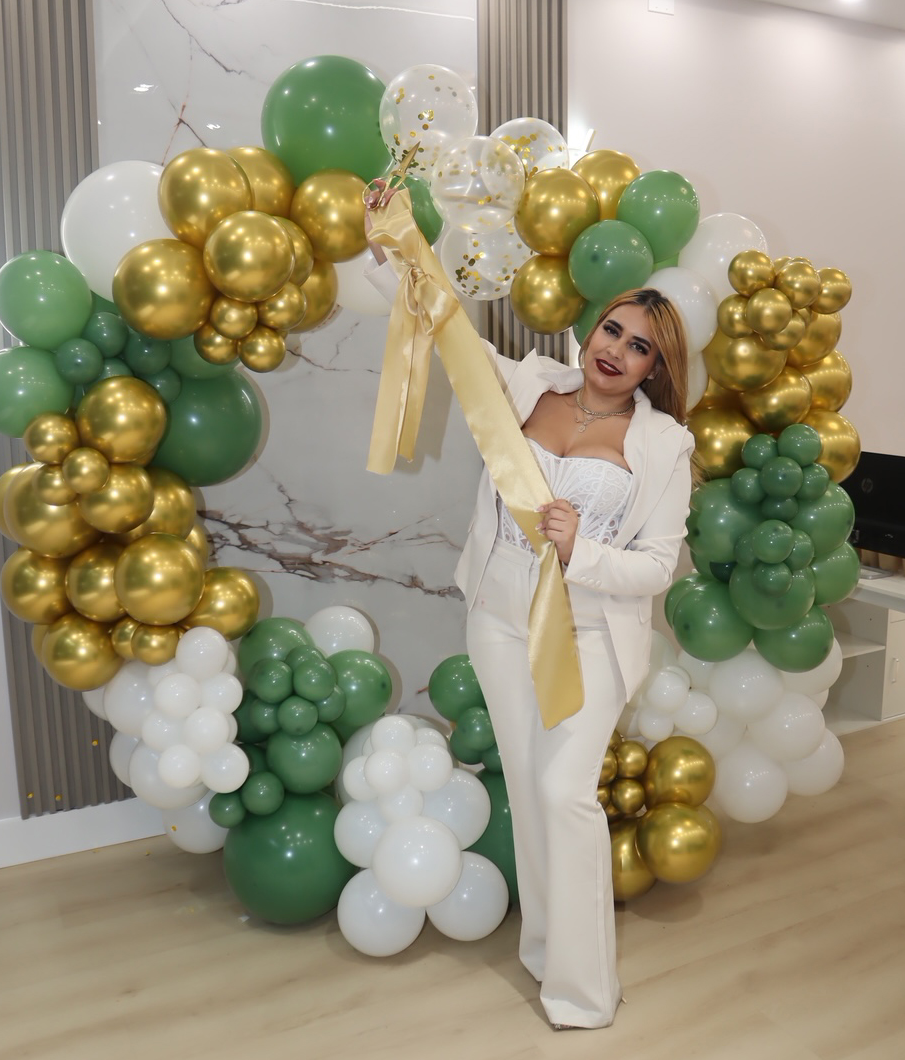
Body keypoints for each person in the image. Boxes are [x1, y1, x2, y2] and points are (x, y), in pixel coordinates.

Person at [365, 189, 695, 1030]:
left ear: (656, 370)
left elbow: (658, 567)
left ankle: (585, 993)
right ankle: (547, 950)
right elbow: (442, 327)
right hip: (500, 616)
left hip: (590, 633)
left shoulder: (665, 445)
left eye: (641, 347)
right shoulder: (529, 383)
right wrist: (393, 247)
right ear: (591, 332)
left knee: (563, 791)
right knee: (527, 782)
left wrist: (584, 550)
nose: (617, 350)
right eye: (613, 330)